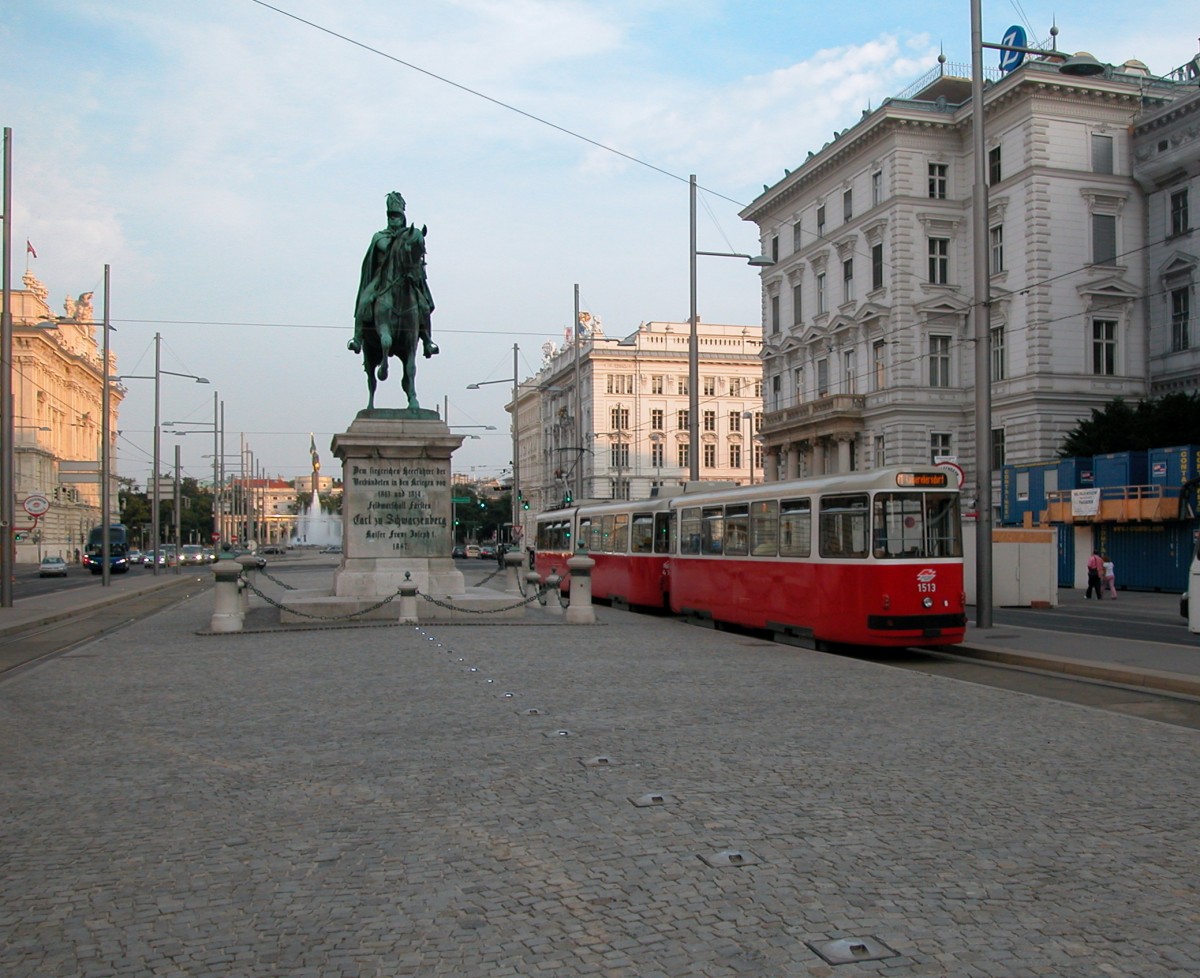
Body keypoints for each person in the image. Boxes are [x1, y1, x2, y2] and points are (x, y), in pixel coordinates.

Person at [348, 191, 438, 360]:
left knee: (424, 305)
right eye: (390, 216)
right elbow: (384, 247)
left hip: (406, 279)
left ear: (403, 217)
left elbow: (415, 254)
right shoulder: (380, 236)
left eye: (396, 216)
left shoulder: (408, 236)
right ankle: (357, 338)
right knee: (364, 300)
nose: (393, 219)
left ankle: (427, 341)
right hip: (381, 280)